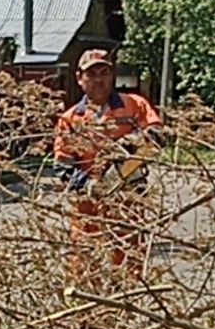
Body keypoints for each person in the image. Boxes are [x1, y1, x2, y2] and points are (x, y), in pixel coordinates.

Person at [53, 48, 163, 283]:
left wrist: (135, 141)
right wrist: (87, 184)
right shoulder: (71, 120)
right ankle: (87, 315)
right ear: (79, 78)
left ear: (112, 76)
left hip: (128, 202)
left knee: (129, 265)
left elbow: (157, 135)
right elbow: (62, 167)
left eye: (104, 73)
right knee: (84, 266)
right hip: (87, 206)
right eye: (91, 74)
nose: (98, 80)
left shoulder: (134, 106)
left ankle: (124, 311)